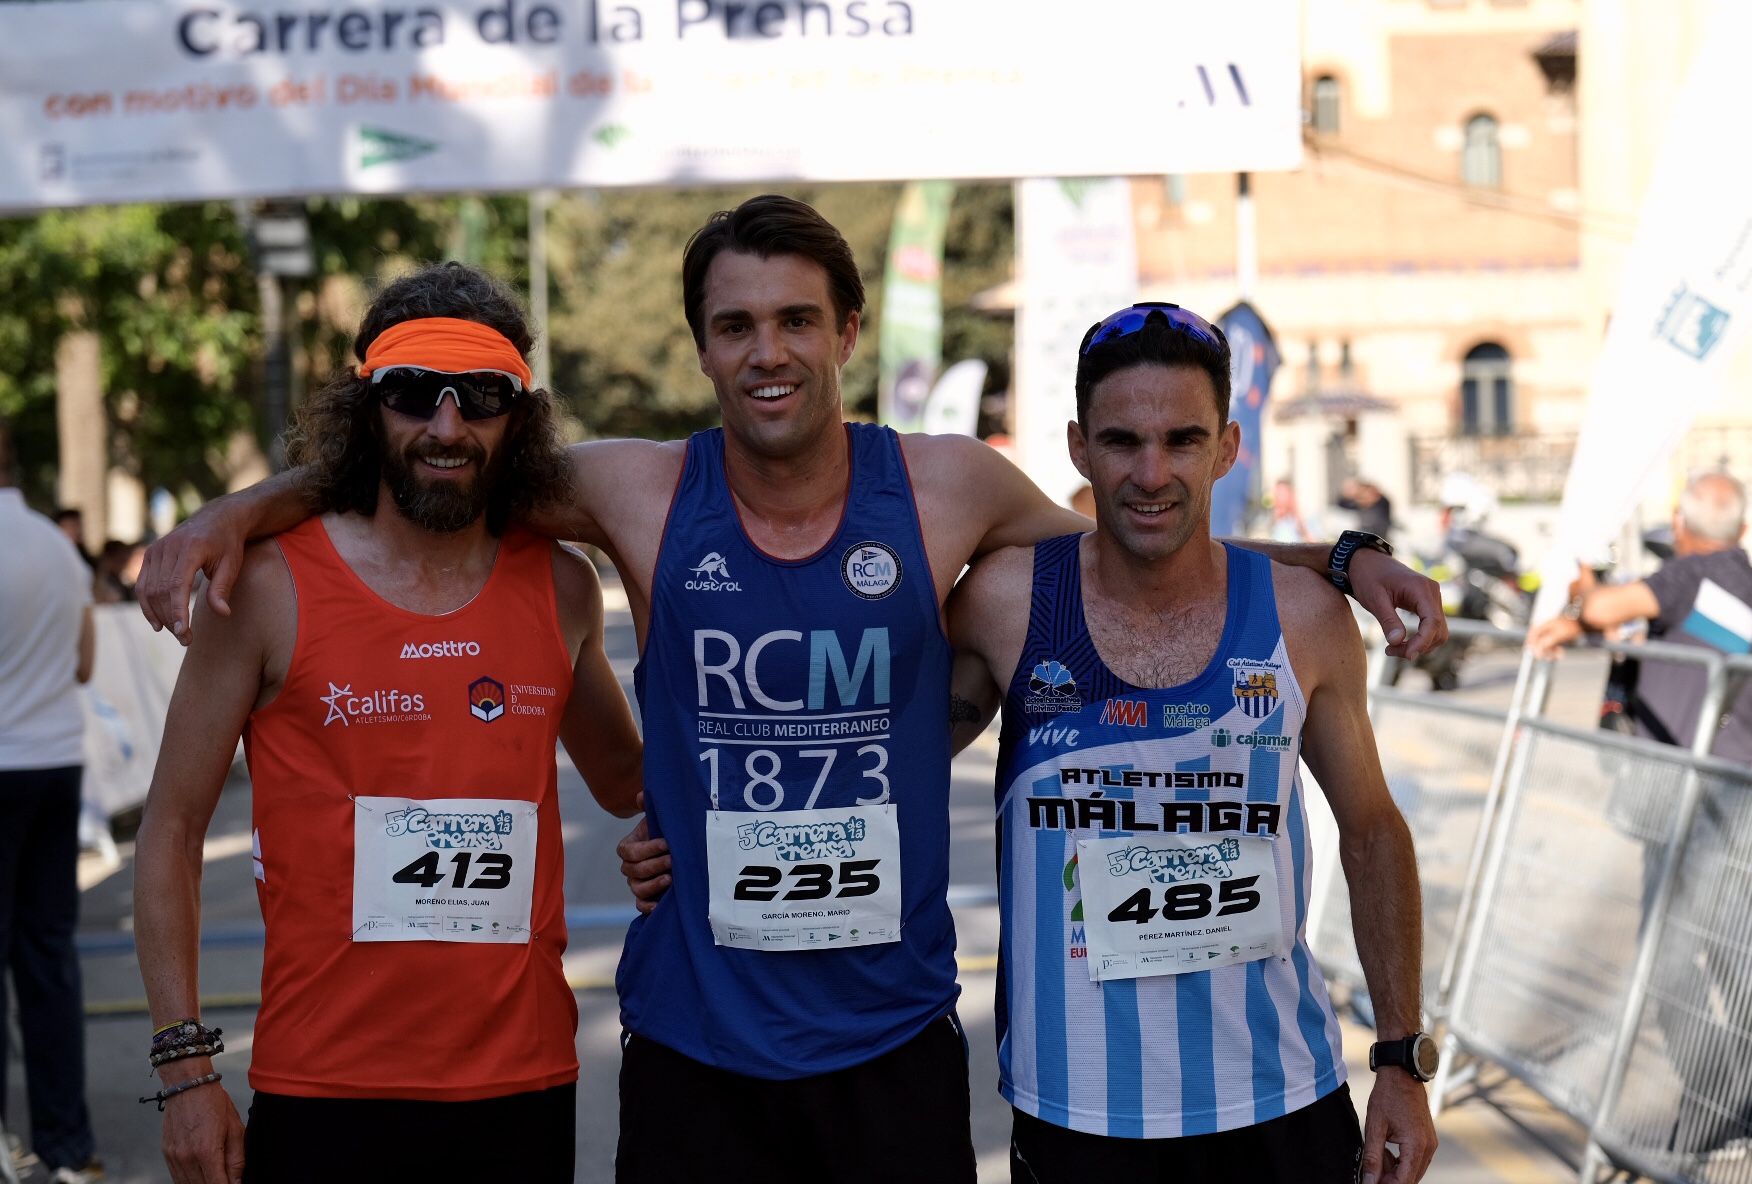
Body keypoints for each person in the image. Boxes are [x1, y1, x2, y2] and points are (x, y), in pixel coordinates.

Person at [136, 197, 1446, 1180]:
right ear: (703, 346)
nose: (769, 351)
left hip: (893, 1055)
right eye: (736, 324)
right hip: (697, 1063)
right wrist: (240, 515)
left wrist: (1338, 554)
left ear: (848, 334)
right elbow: (429, 454)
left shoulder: (943, 490)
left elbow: (1145, 530)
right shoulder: (638, 492)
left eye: (797, 321)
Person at [632, 304, 1443, 1182]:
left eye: (1182, 441)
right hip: (1072, 1118)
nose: (1151, 472)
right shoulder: (1006, 604)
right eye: (1122, 441)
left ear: (1227, 449)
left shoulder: (1306, 620)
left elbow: (1371, 833)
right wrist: (679, 820)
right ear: (1077, 448)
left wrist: (1402, 1061)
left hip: (1279, 1101)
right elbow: (861, 745)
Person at [131, 263, 643, 1184]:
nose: (445, 427)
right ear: (368, 407)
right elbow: (169, 832)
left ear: (515, 416)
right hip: (325, 1091)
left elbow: (629, 782)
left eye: (480, 396)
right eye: (412, 395)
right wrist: (185, 1070)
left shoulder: (562, 587)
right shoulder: (265, 590)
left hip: (521, 1086)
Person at [1529, 471, 1752, 1162]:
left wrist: (1582, 601)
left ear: (1684, 524)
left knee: (1666, 962)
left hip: (1680, 794)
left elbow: (1613, 606)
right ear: (1745, 530)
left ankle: (1717, 1102)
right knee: (1737, 953)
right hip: (1735, 790)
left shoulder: (1690, 578)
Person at [0, 423, 102, 1183]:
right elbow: (84, 659)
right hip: (54, 756)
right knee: (48, 957)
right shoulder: (55, 547)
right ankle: (68, 1145)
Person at [1338, 477, 1393, 543]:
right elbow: (1342, 504)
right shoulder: (1358, 504)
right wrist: (1348, 494)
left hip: (1379, 538)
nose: (1363, 498)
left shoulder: (1382, 503)